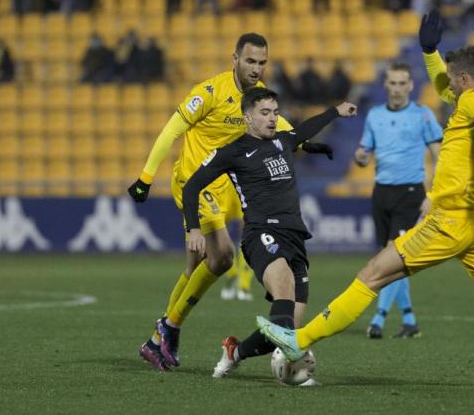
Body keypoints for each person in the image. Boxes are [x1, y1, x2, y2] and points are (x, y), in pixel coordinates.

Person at [257, 10, 474, 383]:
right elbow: (451, 88)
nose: (450, 92)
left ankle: (299, 339)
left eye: (454, 83)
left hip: (449, 220)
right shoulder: (471, 95)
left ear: (466, 79)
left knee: (372, 275)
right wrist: (430, 51)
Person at [127, 33, 332, 371]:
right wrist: (146, 178)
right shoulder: (209, 92)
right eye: (250, 61)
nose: (256, 68)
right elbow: (171, 130)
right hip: (195, 179)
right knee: (222, 256)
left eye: (262, 62)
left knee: (197, 270)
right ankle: (168, 328)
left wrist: (308, 146)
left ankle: (158, 338)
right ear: (234, 58)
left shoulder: (255, 99)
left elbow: (281, 126)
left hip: (226, 186)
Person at [182, 87, 356, 379]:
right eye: (265, 113)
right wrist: (193, 229)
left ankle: (234, 352)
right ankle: (294, 371)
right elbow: (191, 187)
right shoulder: (233, 152)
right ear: (248, 117)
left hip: (295, 236)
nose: (273, 118)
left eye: (275, 112)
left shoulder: (282, 141)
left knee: (289, 330)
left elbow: (303, 131)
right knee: (284, 294)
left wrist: (334, 113)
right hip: (261, 234)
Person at [354, 61, 442, 339]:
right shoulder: (375, 116)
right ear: (385, 85)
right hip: (381, 191)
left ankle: (378, 319)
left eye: (402, 83)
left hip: (410, 192)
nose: (397, 88)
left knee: (391, 255)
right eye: (392, 83)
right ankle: (409, 319)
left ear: (411, 85)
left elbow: (440, 156)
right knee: (388, 256)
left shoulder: (423, 115)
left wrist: (432, 194)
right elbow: (364, 149)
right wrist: (360, 156)